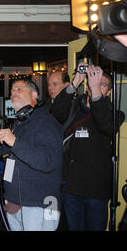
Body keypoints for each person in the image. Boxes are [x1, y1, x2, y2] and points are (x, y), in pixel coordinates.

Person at [52, 63, 125, 231]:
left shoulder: (115, 114)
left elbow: (105, 125)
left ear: (109, 92)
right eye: (94, 82)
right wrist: (75, 82)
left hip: (96, 190)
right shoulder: (75, 108)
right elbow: (57, 111)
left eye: (103, 84)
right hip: (71, 187)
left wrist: (96, 93)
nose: (97, 86)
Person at [0, 79, 63, 231]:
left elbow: (48, 161)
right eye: (12, 90)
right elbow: (1, 150)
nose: (13, 92)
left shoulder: (47, 122)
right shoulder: (20, 123)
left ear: (34, 95)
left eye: (19, 89)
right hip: (15, 202)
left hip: (39, 204)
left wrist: (14, 142)